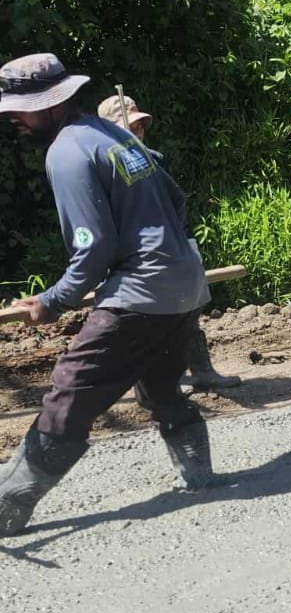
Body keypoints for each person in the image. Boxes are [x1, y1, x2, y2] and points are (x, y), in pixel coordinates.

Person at [0, 53, 215, 535]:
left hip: (142, 291)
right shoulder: (116, 136)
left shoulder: (66, 152)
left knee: (69, 390)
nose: (12, 116)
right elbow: (176, 199)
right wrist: (170, 256)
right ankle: (201, 479)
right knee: (161, 383)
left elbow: (94, 245)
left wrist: (51, 301)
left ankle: (8, 505)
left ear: (53, 104)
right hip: (185, 283)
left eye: (22, 107)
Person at [97, 91, 241, 394]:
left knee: (187, 310)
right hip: (133, 257)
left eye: (139, 126)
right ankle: (150, 388)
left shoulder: (154, 161)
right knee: (141, 321)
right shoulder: (102, 168)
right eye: (129, 127)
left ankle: (201, 371)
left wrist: (183, 243)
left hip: (172, 246)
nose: (137, 132)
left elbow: (177, 204)